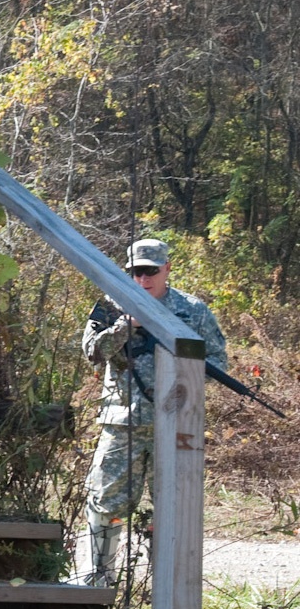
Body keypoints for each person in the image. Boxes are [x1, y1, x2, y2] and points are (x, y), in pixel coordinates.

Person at [82, 237, 227, 584]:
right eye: (136, 272)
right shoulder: (110, 307)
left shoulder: (192, 310)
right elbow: (92, 352)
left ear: (167, 269)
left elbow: (217, 361)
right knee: (105, 504)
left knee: (171, 509)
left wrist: (182, 387)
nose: (143, 279)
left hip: (175, 427)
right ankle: (96, 586)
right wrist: (125, 325)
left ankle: (169, 586)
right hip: (122, 424)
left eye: (151, 271)